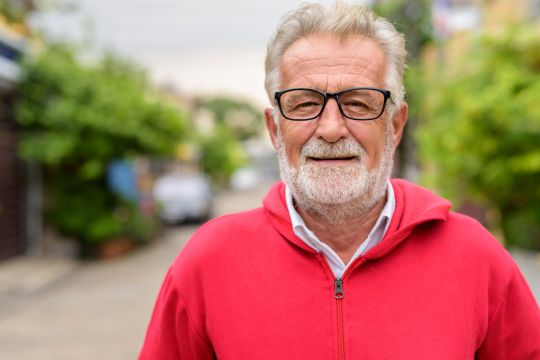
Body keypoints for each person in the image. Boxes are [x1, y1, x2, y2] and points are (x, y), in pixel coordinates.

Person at [140, 2, 540, 359]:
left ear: (395, 125)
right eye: (305, 104)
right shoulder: (207, 262)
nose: (331, 129)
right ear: (275, 129)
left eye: (358, 103)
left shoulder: (475, 256)